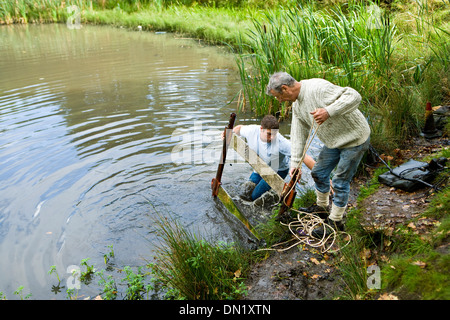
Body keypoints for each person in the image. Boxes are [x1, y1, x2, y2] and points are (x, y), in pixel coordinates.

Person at [266, 72, 371, 233]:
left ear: (285, 89)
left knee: (340, 181)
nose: (279, 101)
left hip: (355, 139)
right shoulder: (297, 106)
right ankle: (322, 208)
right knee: (318, 172)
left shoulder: (317, 88)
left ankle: (336, 221)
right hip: (334, 142)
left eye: (277, 97)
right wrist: (295, 165)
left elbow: (354, 96)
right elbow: (298, 136)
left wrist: (329, 111)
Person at [229, 114, 315, 201]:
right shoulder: (252, 131)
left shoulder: (281, 143)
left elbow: (303, 156)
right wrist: (228, 134)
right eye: (269, 134)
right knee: (246, 190)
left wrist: (321, 175)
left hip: (278, 170)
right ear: (261, 129)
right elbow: (239, 128)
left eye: (275, 134)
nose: (272, 137)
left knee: (254, 196)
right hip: (260, 166)